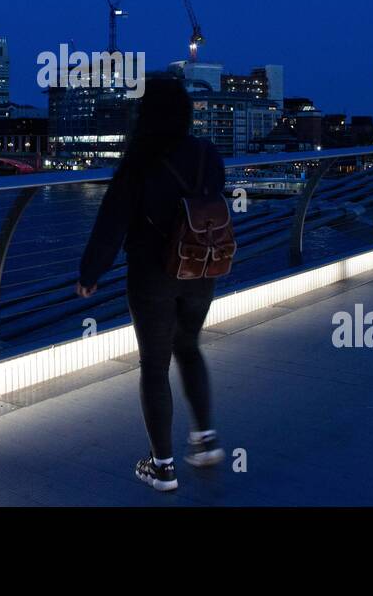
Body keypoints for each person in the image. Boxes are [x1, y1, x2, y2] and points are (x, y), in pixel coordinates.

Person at [77, 77, 226, 491]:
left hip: (152, 274)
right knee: (190, 347)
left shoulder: (139, 160)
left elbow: (112, 222)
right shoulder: (206, 154)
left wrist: (90, 274)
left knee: (155, 366)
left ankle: (163, 467)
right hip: (201, 268)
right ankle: (205, 440)